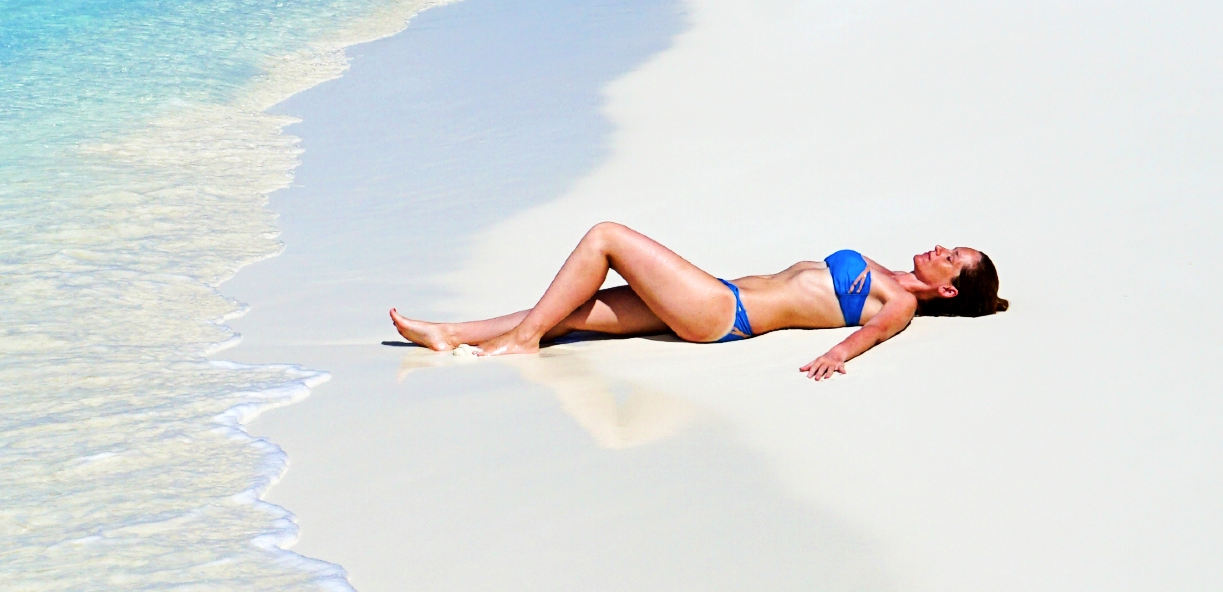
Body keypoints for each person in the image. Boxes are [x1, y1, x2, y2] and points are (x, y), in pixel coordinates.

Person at [389, 222, 1007, 380]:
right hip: (720, 298)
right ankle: (453, 333)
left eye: (951, 257)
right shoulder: (891, 271)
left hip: (723, 313)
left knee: (606, 237)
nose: (940, 247)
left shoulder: (897, 301)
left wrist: (837, 355)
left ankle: (520, 342)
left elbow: (863, 338)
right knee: (576, 311)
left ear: (948, 288)